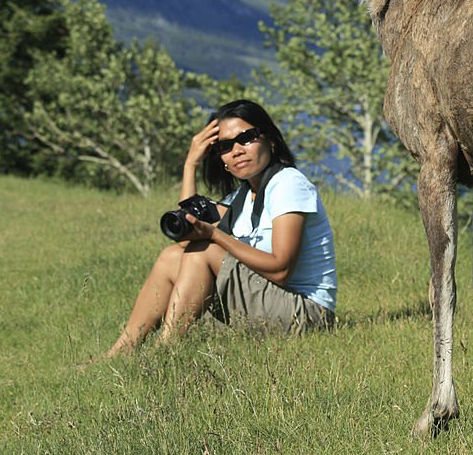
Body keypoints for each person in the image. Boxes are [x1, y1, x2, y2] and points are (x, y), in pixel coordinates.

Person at [107, 100, 336, 355]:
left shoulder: (288, 184)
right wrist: (190, 165)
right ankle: (121, 351)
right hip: (271, 302)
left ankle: (164, 352)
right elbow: (186, 238)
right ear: (222, 159)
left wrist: (215, 235)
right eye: (225, 146)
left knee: (205, 250)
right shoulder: (242, 197)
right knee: (172, 256)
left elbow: (281, 270)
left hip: (306, 314)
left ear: (270, 140)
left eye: (246, 138)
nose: (236, 150)